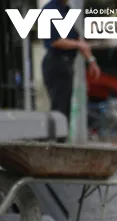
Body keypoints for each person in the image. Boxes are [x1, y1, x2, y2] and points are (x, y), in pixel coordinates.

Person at [41, 0, 101, 129]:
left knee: (65, 105)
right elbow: (55, 41)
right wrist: (79, 45)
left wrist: (91, 60)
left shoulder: (66, 10)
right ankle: (57, 142)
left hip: (67, 63)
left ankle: (62, 139)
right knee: (60, 105)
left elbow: (77, 38)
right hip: (56, 62)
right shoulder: (49, 10)